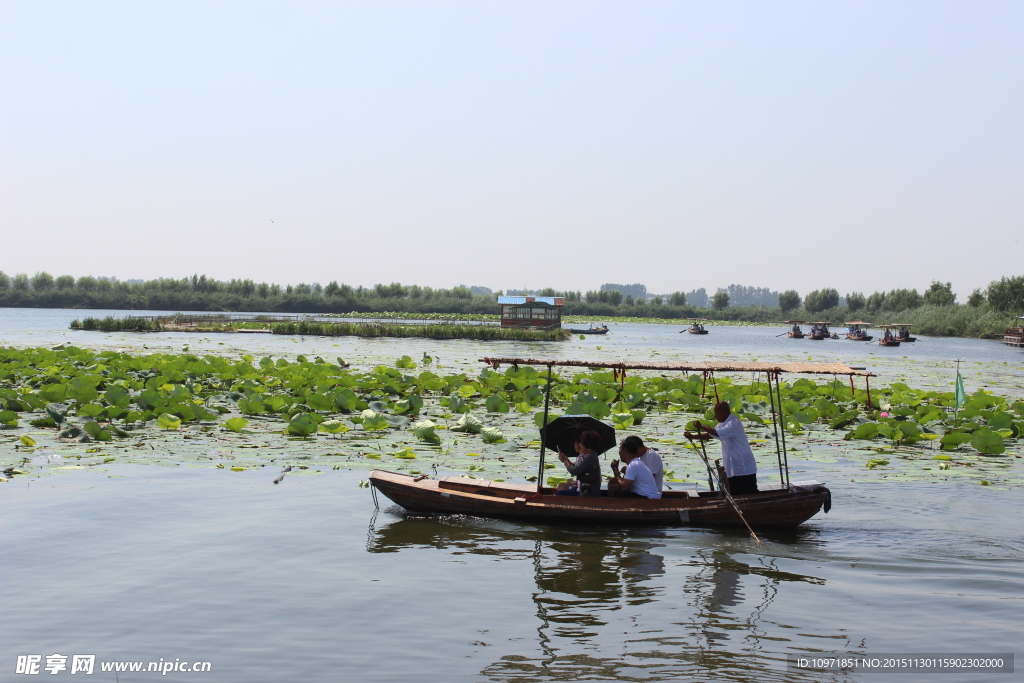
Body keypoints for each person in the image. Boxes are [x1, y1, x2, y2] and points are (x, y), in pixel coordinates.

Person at [684, 401, 758, 495]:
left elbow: (717, 433)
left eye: (716, 413)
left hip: (743, 467)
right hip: (733, 467)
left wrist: (702, 426)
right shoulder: (723, 423)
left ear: (723, 412)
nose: (715, 416)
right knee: (735, 493)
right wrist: (692, 436)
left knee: (749, 493)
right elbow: (710, 435)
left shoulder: (733, 423)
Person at [553, 430, 603, 497]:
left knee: (558, 494)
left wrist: (565, 461)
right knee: (561, 486)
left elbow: (574, 471)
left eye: (581, 443)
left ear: (586, 444)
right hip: (581, 489)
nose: (580, 444)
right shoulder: (591, 455)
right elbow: (577, 466)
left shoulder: (589, 457)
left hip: (587, 493)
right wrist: (566, 459)